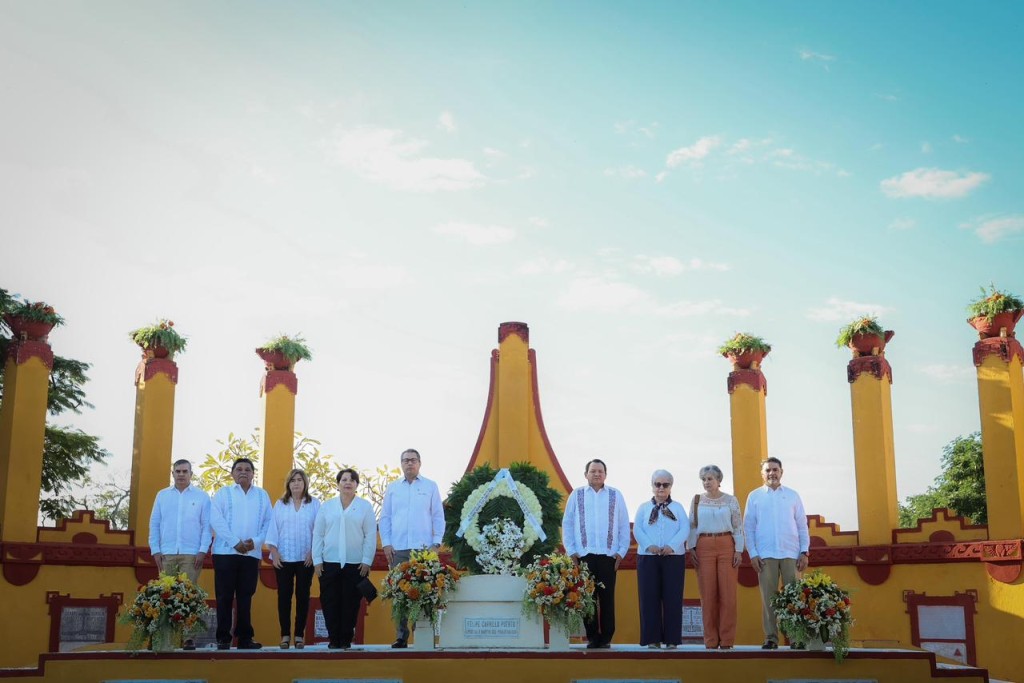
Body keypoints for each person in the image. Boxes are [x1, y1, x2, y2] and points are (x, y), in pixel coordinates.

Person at [378, 448, 445, 648]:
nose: (409, 463)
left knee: (422, 591)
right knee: (399, 592)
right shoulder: (393, 488)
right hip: (398, 548)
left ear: (419, 463)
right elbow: (385, 517)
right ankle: (401, 636)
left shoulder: (430, 487)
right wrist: (387, 543)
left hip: (423, 550)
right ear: (401, 464)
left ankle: (422, 635)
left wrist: (436, 543)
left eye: (413, 460)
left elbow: (438, 517)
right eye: (405, 460)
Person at [561, 458, 630, 649]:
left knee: (607, 599)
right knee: (587, 599)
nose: (597, 474)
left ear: (605, 474)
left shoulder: (616, 495)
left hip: (609, 556)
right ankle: (592, 637)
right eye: (593, 471)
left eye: (600, 471)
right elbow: (567, 524)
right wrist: (572, 551)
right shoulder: (577, 495)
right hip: (584, 555)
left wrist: (621, 553)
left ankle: (606, 637)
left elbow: (624, 525)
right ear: (586, 474)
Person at [743, 456, 810, 650]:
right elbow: (749, 527)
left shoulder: (792, 495)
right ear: (762, 473)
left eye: (775, 469)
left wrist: (804, 552)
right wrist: (753, 554)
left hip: (791, 553)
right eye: (768, 470)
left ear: (781, 472)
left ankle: (797, 637)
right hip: (765, 555)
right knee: (768, 599)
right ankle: (771, 638)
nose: (772, 473)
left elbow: (802, 526)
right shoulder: (754, 496)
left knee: (795, 598)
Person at [148, 458, 212, 651]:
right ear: (173, 474)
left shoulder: (202, 497)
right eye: (178, 471)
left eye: (185, 471)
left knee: (189, 596)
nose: (181, 474)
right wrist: (155, 550)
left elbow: (206, 526)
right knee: (164, 595)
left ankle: (188, 638)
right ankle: (161, 639)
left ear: (191, 474)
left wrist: (202, 550)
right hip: (166, 553)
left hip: (191, 554)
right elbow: (155, 523)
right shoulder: (162, 495)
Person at [210, 457, 272, 650]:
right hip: (224, 553)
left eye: (247, 469)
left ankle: (245, 638)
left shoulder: (262, 495)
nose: (243, 472)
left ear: (253, 474)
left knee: (245, 596)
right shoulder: (223, 493)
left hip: (251, 555)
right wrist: (234, 542)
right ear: (232, 473)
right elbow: (215, 519)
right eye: (239, 469)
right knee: (224, 596)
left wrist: (256, 542)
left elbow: (269, 522)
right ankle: (223, 638)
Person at [313, 468, 377, 650]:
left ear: (357, 484)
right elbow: (318, 534)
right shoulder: (327, 506)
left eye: (352, 480)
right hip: (329, 563)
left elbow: (370, 535)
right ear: (338, 484)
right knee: (330, 602)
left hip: (355, 564)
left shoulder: (365, 507)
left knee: (351, 604)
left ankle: (345, 640)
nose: (347, 482)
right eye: (344, 479)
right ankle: (333, 640)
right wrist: (317, 559)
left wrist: (366, 560)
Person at [686, 464, 744, 650]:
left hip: (727, 544)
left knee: (728, 595)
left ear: (719, 480)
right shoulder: (696, 500)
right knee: (707, 594)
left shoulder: (730, 500)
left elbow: (737, 526)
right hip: (704, 547)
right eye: (703, 479)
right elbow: (692, 526)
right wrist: (692, 548)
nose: (706, 482)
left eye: (710, 479)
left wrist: (738, 550)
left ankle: (727, 640)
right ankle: (710, 640)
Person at [632, 469, 688, 649]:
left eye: (665, 484)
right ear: (652, 486)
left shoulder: (678, 508)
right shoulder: (643, 508)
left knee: (673, 598)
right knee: (649, 598)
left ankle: (672, 639)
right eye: (658, 484)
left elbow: (685, 529)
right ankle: (652, 639)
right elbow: (637, 530)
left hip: (673, 558)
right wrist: (650, 545)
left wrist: (671, 545)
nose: (661, 488)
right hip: (648, 558)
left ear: (671, 486)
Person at [265, 469, 320, 650]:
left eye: (300, 480)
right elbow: (272, 530)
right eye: (293, 480)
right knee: (284, 598)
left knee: (303, 597)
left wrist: (313, 552)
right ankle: (285, 635)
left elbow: (319, 531)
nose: (296, 483)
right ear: (288, 484)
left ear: (305, 483)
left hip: (306, 559)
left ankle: (298, 635)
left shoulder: (314, 504)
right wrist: (274, 553)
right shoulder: (280, 504)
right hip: (283, 558)